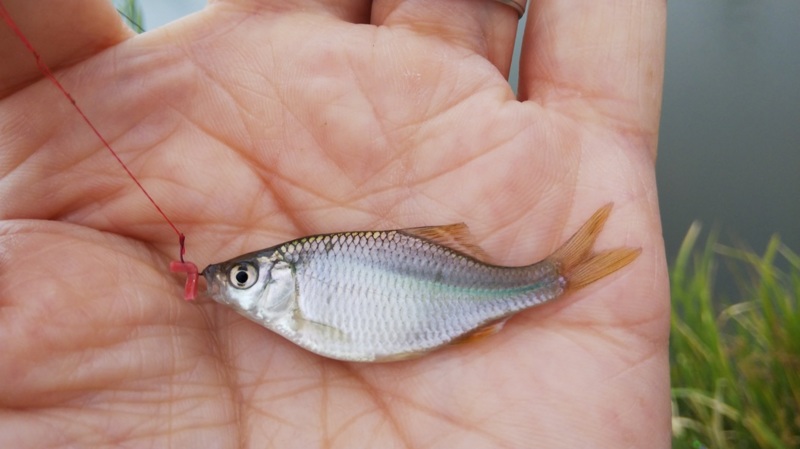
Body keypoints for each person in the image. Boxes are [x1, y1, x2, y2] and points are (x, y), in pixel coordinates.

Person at [0, 0, 669, 447]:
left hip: (452, 298)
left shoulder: (303, 295)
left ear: (280, 275)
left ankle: (553, 277)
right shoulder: (293, 297)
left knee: (537, 282)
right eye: (239, 274)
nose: (230, 284)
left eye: (242, 275)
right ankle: (554, 277)